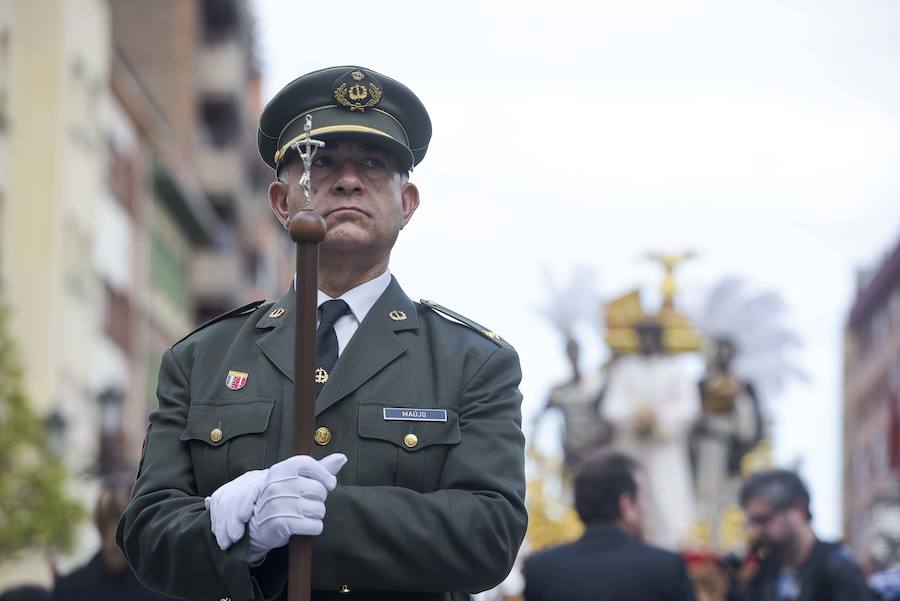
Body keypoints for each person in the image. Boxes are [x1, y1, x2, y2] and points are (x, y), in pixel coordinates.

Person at [116, 66, 527, 601]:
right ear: (282, 203)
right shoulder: (201, 359)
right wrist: (249, 535)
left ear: (408, 205)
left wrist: (318, 515)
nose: (348, 180)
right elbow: (147, 533)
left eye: (374, 165)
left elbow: (490, 534)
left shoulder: (472, 361)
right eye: (321, 163)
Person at [523, 450, 697, 601]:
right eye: (642, 499)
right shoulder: (666, 569)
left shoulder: (540, 570)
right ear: (626, 505)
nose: (646, 508)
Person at [601, 319, 701, 548]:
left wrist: (657, 418)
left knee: (669, 501)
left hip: (664, 449)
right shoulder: (625, 368)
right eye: (643, 337)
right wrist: (635, 416)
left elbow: (689, 408)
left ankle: (674, 545)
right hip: (632, 448)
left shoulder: (676, 368)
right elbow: (611, 406)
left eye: (651, 337)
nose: (647, 342)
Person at [734, 469, 872, 601]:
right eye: (751, 522)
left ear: (798, 510)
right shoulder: (762, 575)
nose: (754, 531)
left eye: (763, 520)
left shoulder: (840, 571)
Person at [50, 476, 170, 601]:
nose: (113, 531)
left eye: (117, 518)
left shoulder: (68, 588)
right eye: (108, 519)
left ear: (95, 522)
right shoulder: (164, 588)